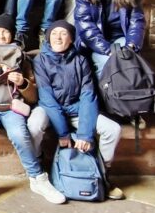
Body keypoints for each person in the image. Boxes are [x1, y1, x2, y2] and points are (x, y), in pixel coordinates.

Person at [0, 15, 65, 204]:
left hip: (11, 107)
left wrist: (23, 83)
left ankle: (38, 178)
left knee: (19, 134)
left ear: (12, 35)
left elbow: (33, 96)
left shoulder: (21, 57)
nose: (1, 35)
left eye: (5, 31)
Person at [27, 20, 124, 201]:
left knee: (113, 129)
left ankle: (102, 173)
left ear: (71, 39)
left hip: (76, 110)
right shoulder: (41, 60)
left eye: (63, 34)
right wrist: (63, 133)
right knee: (33, 126)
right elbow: (46, 97)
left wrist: (85, 134)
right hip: (50, 109)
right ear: (48, 38)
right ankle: (38, 170)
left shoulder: (80, 61)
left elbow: (88, 96)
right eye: (54, 33)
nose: (58, 37)